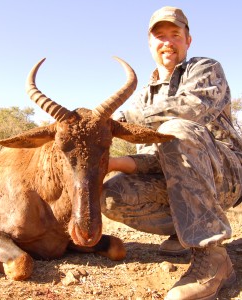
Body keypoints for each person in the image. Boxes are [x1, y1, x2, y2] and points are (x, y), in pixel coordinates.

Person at [101, 6, 242, 300]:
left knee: (177, 128)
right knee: (109, 196)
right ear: (150, 44)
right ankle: (183, 231)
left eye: (175, 35)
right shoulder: (140, 96)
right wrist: (110, 162)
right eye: (160, 36)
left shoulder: (205, 68)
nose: (168, 42)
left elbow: (190, 112)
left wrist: (117, 123)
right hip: (177, 178)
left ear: (187, 41)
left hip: (226, 175)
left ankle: (212, 257)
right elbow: (156, 158)